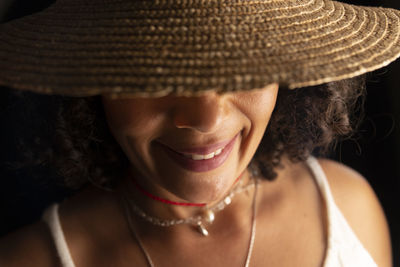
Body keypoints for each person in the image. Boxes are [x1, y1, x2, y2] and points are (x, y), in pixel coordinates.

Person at [0, 0, 398, 266]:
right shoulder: (28, 259)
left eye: (243, 65)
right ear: (91, 84)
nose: (207, 118)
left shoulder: (349, 209)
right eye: (157, 70)